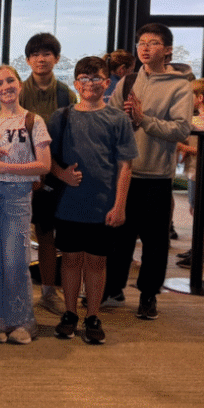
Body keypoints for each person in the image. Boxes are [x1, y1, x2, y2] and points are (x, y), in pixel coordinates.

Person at [103, 23, 192, 319]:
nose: (144, 47)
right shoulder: (128, 81)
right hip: (124, 176)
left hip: (156, 176)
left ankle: (148, 295)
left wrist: (144, 119)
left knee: (155, 242)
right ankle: (113, 289)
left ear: (167, 50)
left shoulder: (180, 85)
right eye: (141, 42)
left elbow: (181, 129)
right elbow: (111, 118)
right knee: (119, 238)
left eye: (152, 43)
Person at [49, 57, 136, 345]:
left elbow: (125, 165)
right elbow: (44, 156)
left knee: (97, 263)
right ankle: (70, 313)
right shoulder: (61, 117)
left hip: (104, 204)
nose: (90, 84)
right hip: (69, 203)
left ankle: (93, 315)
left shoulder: (118, 119)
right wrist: (60, 173)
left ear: (107, 82)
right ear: (76, 83)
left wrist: (120, 204)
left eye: (96, 78)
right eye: (84, 79)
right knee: (71, 260)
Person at [0, 65, 51, 344]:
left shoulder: (34, 121)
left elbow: (44, 164)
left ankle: (22, 320)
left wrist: (7, 168)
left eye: (10, 80)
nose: (6, 86)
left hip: (18, 194)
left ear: (20, 85)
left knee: (15, 258)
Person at [18, 32, 77, 316]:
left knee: (56, 235)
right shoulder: (17, 90)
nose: (41, 59)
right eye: (36, 55)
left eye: (47, 54)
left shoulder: (67, 93)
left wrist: (56, 171)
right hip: (25, 172)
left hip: (59, 172)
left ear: (56, 58)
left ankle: (51, 292)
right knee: (29, 233)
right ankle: (22, 293)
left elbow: (73, 136)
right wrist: (32, 171)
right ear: (28, 60)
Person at [175, 78, 204, 268]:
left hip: (203, 173)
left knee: (200, 213)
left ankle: (201, 253)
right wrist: (186, 150)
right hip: (195, 172)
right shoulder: (200, 119)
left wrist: (183, 147)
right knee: (196, 211)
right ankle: (196, 248)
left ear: (199, 98)